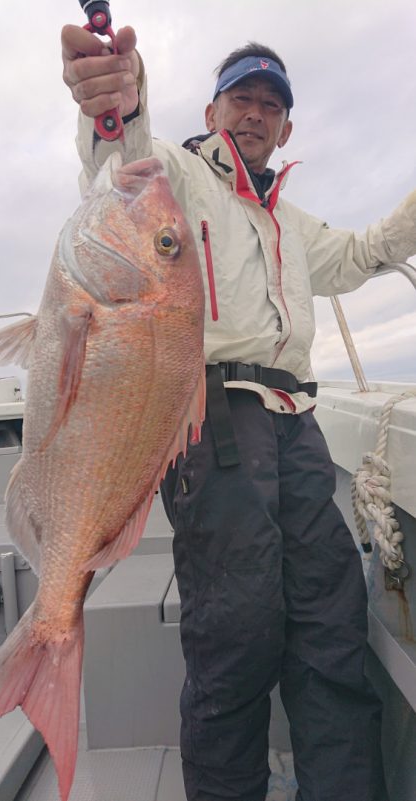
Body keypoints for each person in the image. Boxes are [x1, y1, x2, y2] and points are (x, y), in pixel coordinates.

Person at [62, 20, 416, 801]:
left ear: (287, 125)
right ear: (214, 112)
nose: (255, 114)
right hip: (213, 423)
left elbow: (361, 256)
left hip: (299, 428)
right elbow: (125, 161)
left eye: (270, 104)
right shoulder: (183, 178)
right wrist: (115, 102)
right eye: (241, 99)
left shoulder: (294, 221)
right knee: (237, 639)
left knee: (331, 624)